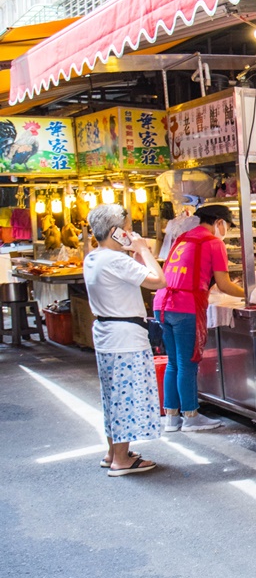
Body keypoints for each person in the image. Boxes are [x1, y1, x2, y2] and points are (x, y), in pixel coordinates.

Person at [83, 204, 167, 476]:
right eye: (128, 229)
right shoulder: (115, 260)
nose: (131, 233)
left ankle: (113, 453)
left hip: (108, 335)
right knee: (127, 396)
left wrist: (134, 252)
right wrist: (142, 249)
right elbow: (158, 281)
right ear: (115, 232)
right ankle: (121, 459)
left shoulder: (94, 257)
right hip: (126, 338)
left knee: (113, 396)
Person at [154, 204, 243, 433]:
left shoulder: (183, 237)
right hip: (185, 306)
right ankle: (191, 416)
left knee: (174, 362)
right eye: (227, 226)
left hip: (162, 304)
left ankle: (172, 418)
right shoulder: (214, 242)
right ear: (218, 223)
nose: (226, 231)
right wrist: (251, 292)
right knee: (187, 363)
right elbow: (224, 284)